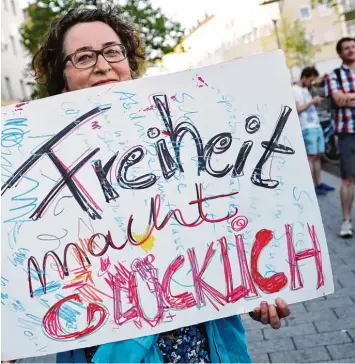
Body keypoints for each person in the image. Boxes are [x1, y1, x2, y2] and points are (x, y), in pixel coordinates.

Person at [6, 6, 291, 364]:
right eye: (83, 57)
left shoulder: (186, 135)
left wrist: (255, 289)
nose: (103, 64)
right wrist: (15, 328)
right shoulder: (39, 169)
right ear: (62, 78)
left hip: (203, 348)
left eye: (113, 51)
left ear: (128, 62)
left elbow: (225, 230)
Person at [325, 37, 355, 239]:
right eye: (347, 48)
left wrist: (349, 97)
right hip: (347, 133)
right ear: (340, 53)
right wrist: (343, 98)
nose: (352, 50)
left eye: (353, 46)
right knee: (347, 178)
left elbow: (346, 98)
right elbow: (339, 99)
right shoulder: (333, 75)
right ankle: (346, 221)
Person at [293, 66, 335, 196]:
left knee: (317, 157)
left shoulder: (305, 90)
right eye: (310, 80)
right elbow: (297, 109)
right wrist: (312, 102)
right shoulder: (294, 90)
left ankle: (319, 183)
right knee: (311, 158)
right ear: (304, 77)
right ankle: (312, 186)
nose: (312, 83)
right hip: (306, 127)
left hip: (315, 125)